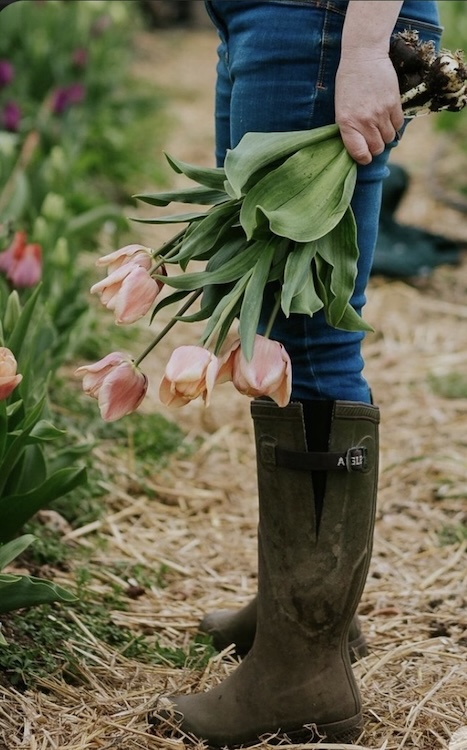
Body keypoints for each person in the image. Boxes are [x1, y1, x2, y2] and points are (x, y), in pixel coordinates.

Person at [150, 1, 442, 746]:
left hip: (318, 20)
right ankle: (298, 611)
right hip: (276, 19)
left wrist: (362, 46)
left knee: (310, 334)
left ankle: (301, 669)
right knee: (280, 319)